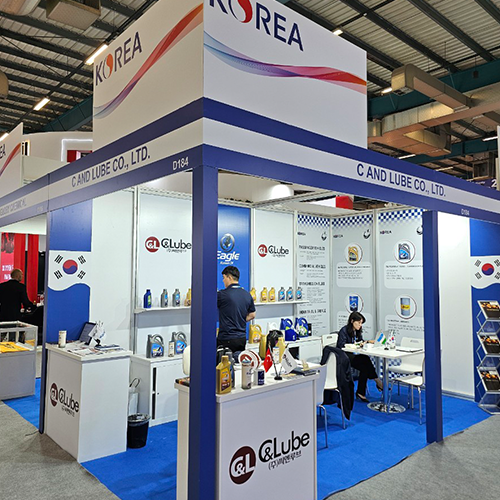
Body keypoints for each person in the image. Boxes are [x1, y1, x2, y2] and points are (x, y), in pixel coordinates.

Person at [337, 311, 383, 402]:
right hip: (344, 356)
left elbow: (360, 341)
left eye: (361, 323)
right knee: (365, 363)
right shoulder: (344, 330)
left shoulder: (357, 331)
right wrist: (355, 345)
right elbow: (341, 345)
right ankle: (377, 381)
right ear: (352, 321)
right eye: (358, 322)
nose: (360, 325)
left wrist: (367, 342)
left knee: (365, 362)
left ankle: (362, 392)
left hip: (354, 354)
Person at [217, 265, 256, 356]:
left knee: (224, 363)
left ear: (229, 277)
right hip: (241, 339)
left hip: (226, 338)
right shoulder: (247, 295)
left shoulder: (222, 295)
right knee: (239, 362)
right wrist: (239, 320)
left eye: (224, 278)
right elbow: (252, 315)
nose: (223, 281)